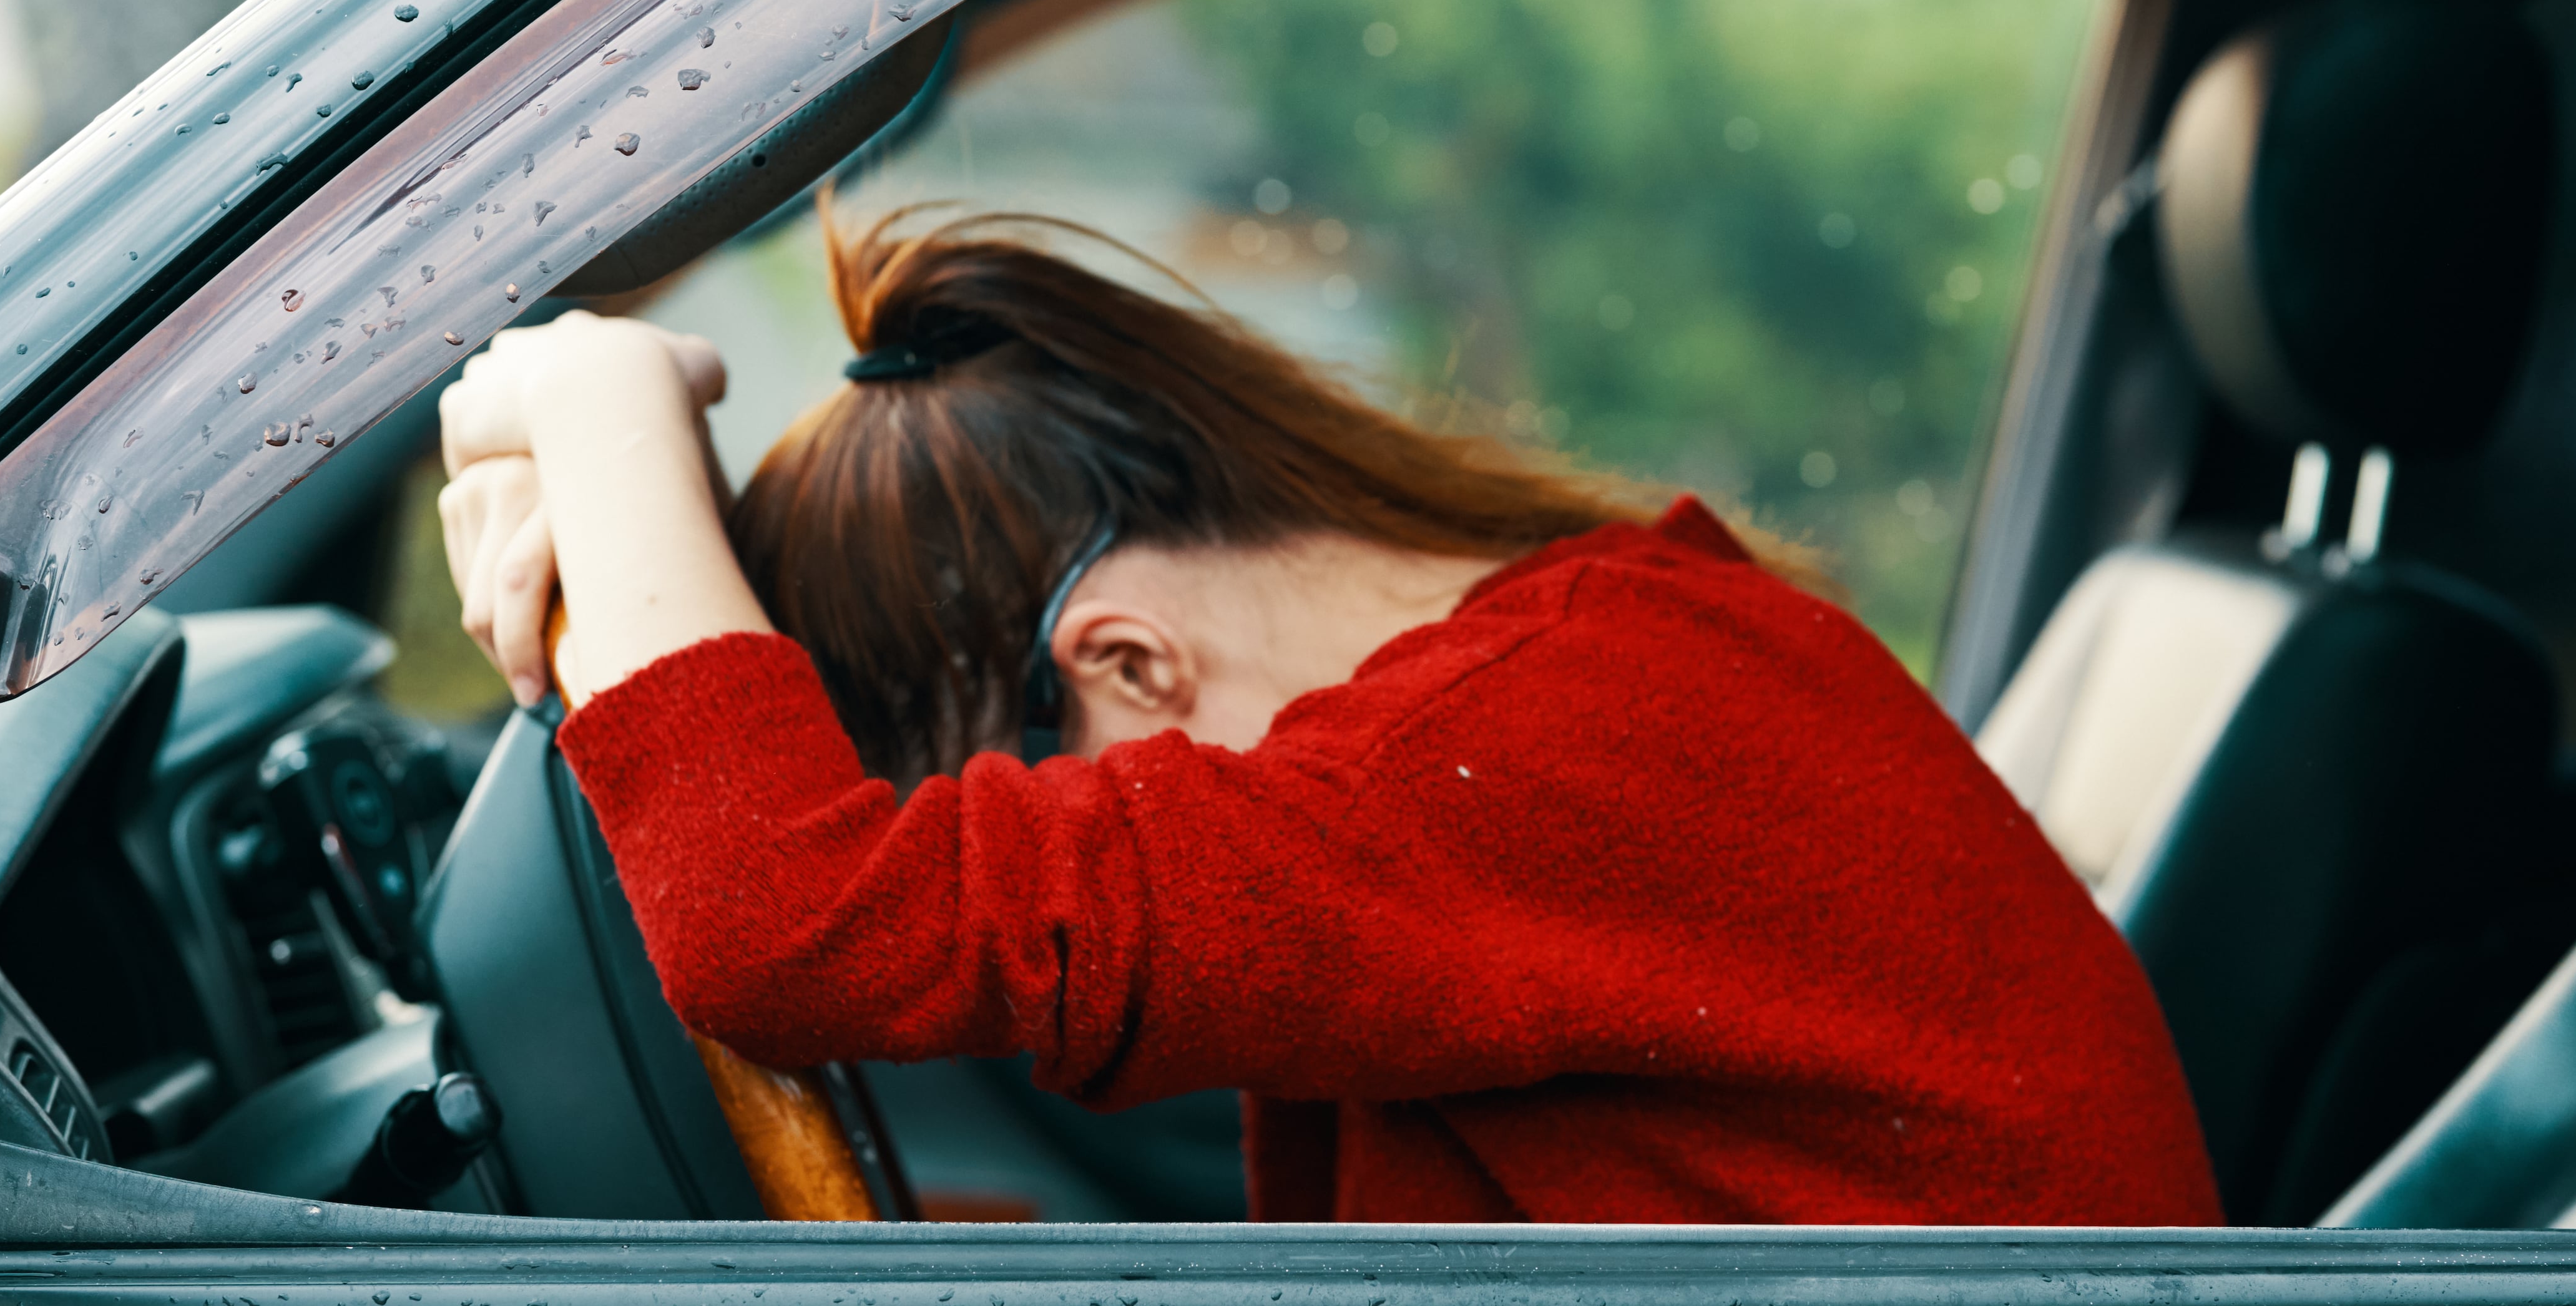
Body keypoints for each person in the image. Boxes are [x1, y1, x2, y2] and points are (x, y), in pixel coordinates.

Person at [436, 210, 2220, 1225]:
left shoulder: (1469, 767)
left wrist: (597, 398)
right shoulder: (1607, 653)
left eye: (1024, 798)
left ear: (1126, 666)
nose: (1061, 854)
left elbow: (790, 925)